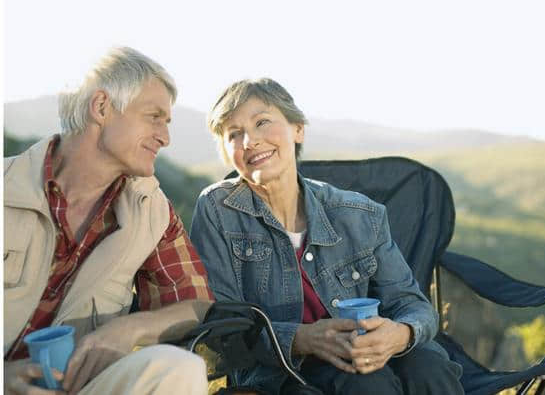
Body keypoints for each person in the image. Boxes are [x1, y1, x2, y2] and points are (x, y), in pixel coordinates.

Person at [190, 78, 464, 394]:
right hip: (284, 372)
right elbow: (221, 328)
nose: (249, 140)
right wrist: (303, 338)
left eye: (262, 122)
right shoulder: (217, 210)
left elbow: (413, 305)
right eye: (233, 134)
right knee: (367, 384)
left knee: (429, 367)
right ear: (226, 151)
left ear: (297, 129)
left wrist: (399, 334)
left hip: (374, 353)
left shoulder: (361, 214)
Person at [4, 47, 213, 395]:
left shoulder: (152, 212)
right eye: (154, 117)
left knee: (178, 369)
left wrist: (130, 330)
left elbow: (198, 305)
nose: (165, 137)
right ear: (101, 107)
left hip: (77, 387)